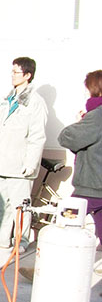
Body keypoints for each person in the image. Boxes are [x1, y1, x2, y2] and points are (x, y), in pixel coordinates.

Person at [0, 57, 47, 253]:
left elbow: (37, 136)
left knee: (20, 207)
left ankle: (21, 242)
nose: (12, 75)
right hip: (0, 161)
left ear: (27, 75)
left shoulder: (35, 102)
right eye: (12, 71)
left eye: (16, 72)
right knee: (0, 204)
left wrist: (31, 163)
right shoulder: (6, 99)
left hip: (20, 164)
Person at [58, 70, 102, 249]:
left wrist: (79, 123)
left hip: (92, 186)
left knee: (65, 226)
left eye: (86, 89)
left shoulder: (96, 116)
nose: (85, 93)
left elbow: (66, 137)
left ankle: (50, 265)